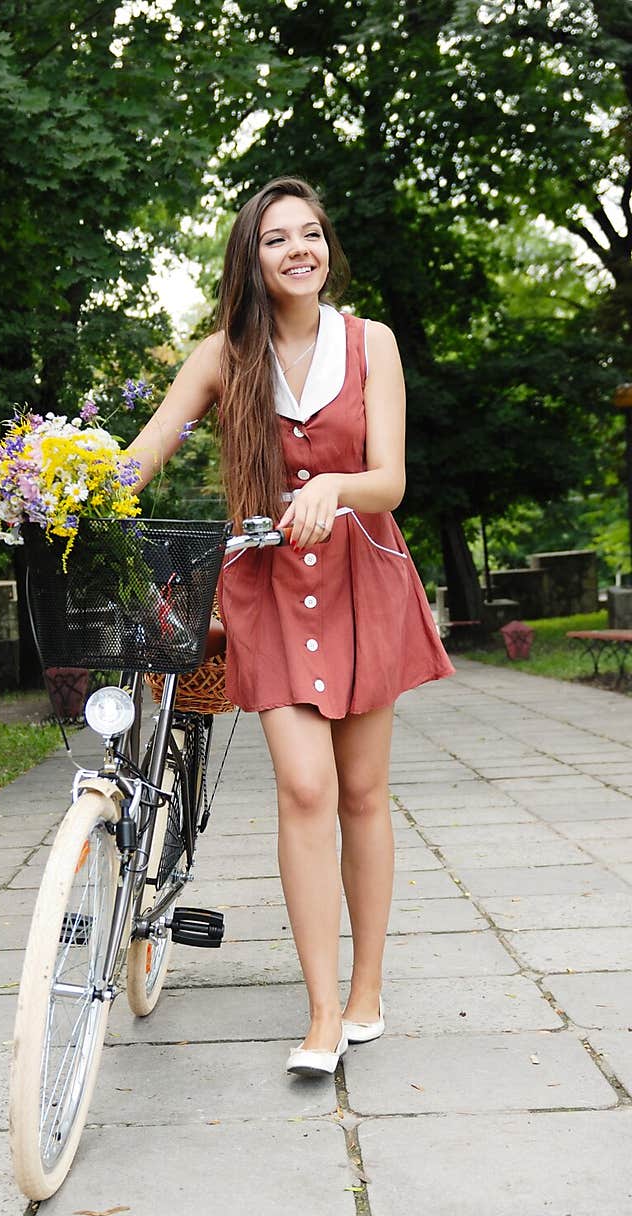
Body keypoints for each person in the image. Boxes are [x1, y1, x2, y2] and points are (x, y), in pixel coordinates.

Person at [127, 176, 454, 1076]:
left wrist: (334, 488)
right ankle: (319, 1012)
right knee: (304, 787)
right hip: (268, 588)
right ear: (252, 257)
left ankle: (366, 989)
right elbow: (145, 453)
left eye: (312, 233)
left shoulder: (371, 342)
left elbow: (388, 482)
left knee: (361, 793)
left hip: (361, 580)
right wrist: (62, 490)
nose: (299, 250)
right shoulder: (222, 357)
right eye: (278, 239)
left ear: (327, 248)